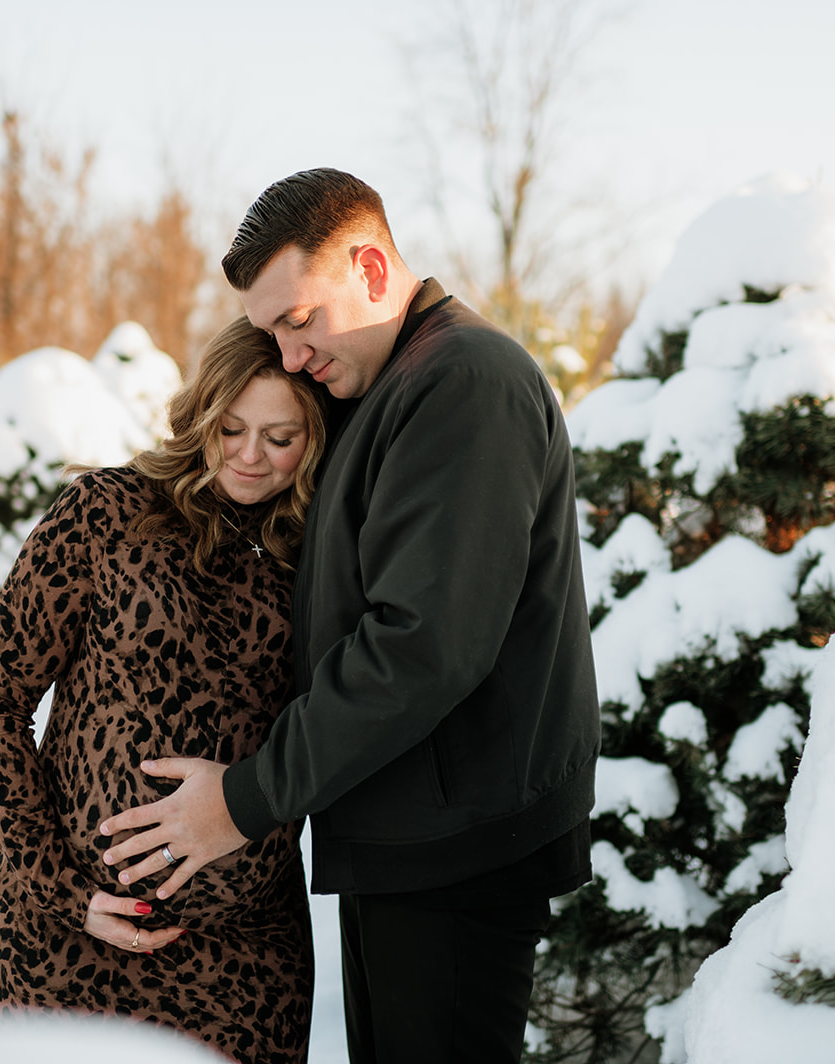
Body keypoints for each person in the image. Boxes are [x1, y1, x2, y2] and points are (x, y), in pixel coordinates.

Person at [98, 169, 601, 1064]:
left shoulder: (465, 379)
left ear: (372, 267)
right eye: (269, 333)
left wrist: (245, 802)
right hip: (410, 833)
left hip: (459, 848)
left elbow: (426, 644)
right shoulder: (386, 387)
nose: (289, 357)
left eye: (300, 321)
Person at [0, 318, 328, 1064]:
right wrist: (60, 888)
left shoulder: (321, 551)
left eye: (281, 438)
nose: (252, 455)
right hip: (65, 948)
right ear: (200, 416)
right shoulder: (104, 513)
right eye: (231, 428)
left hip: (245, 964)